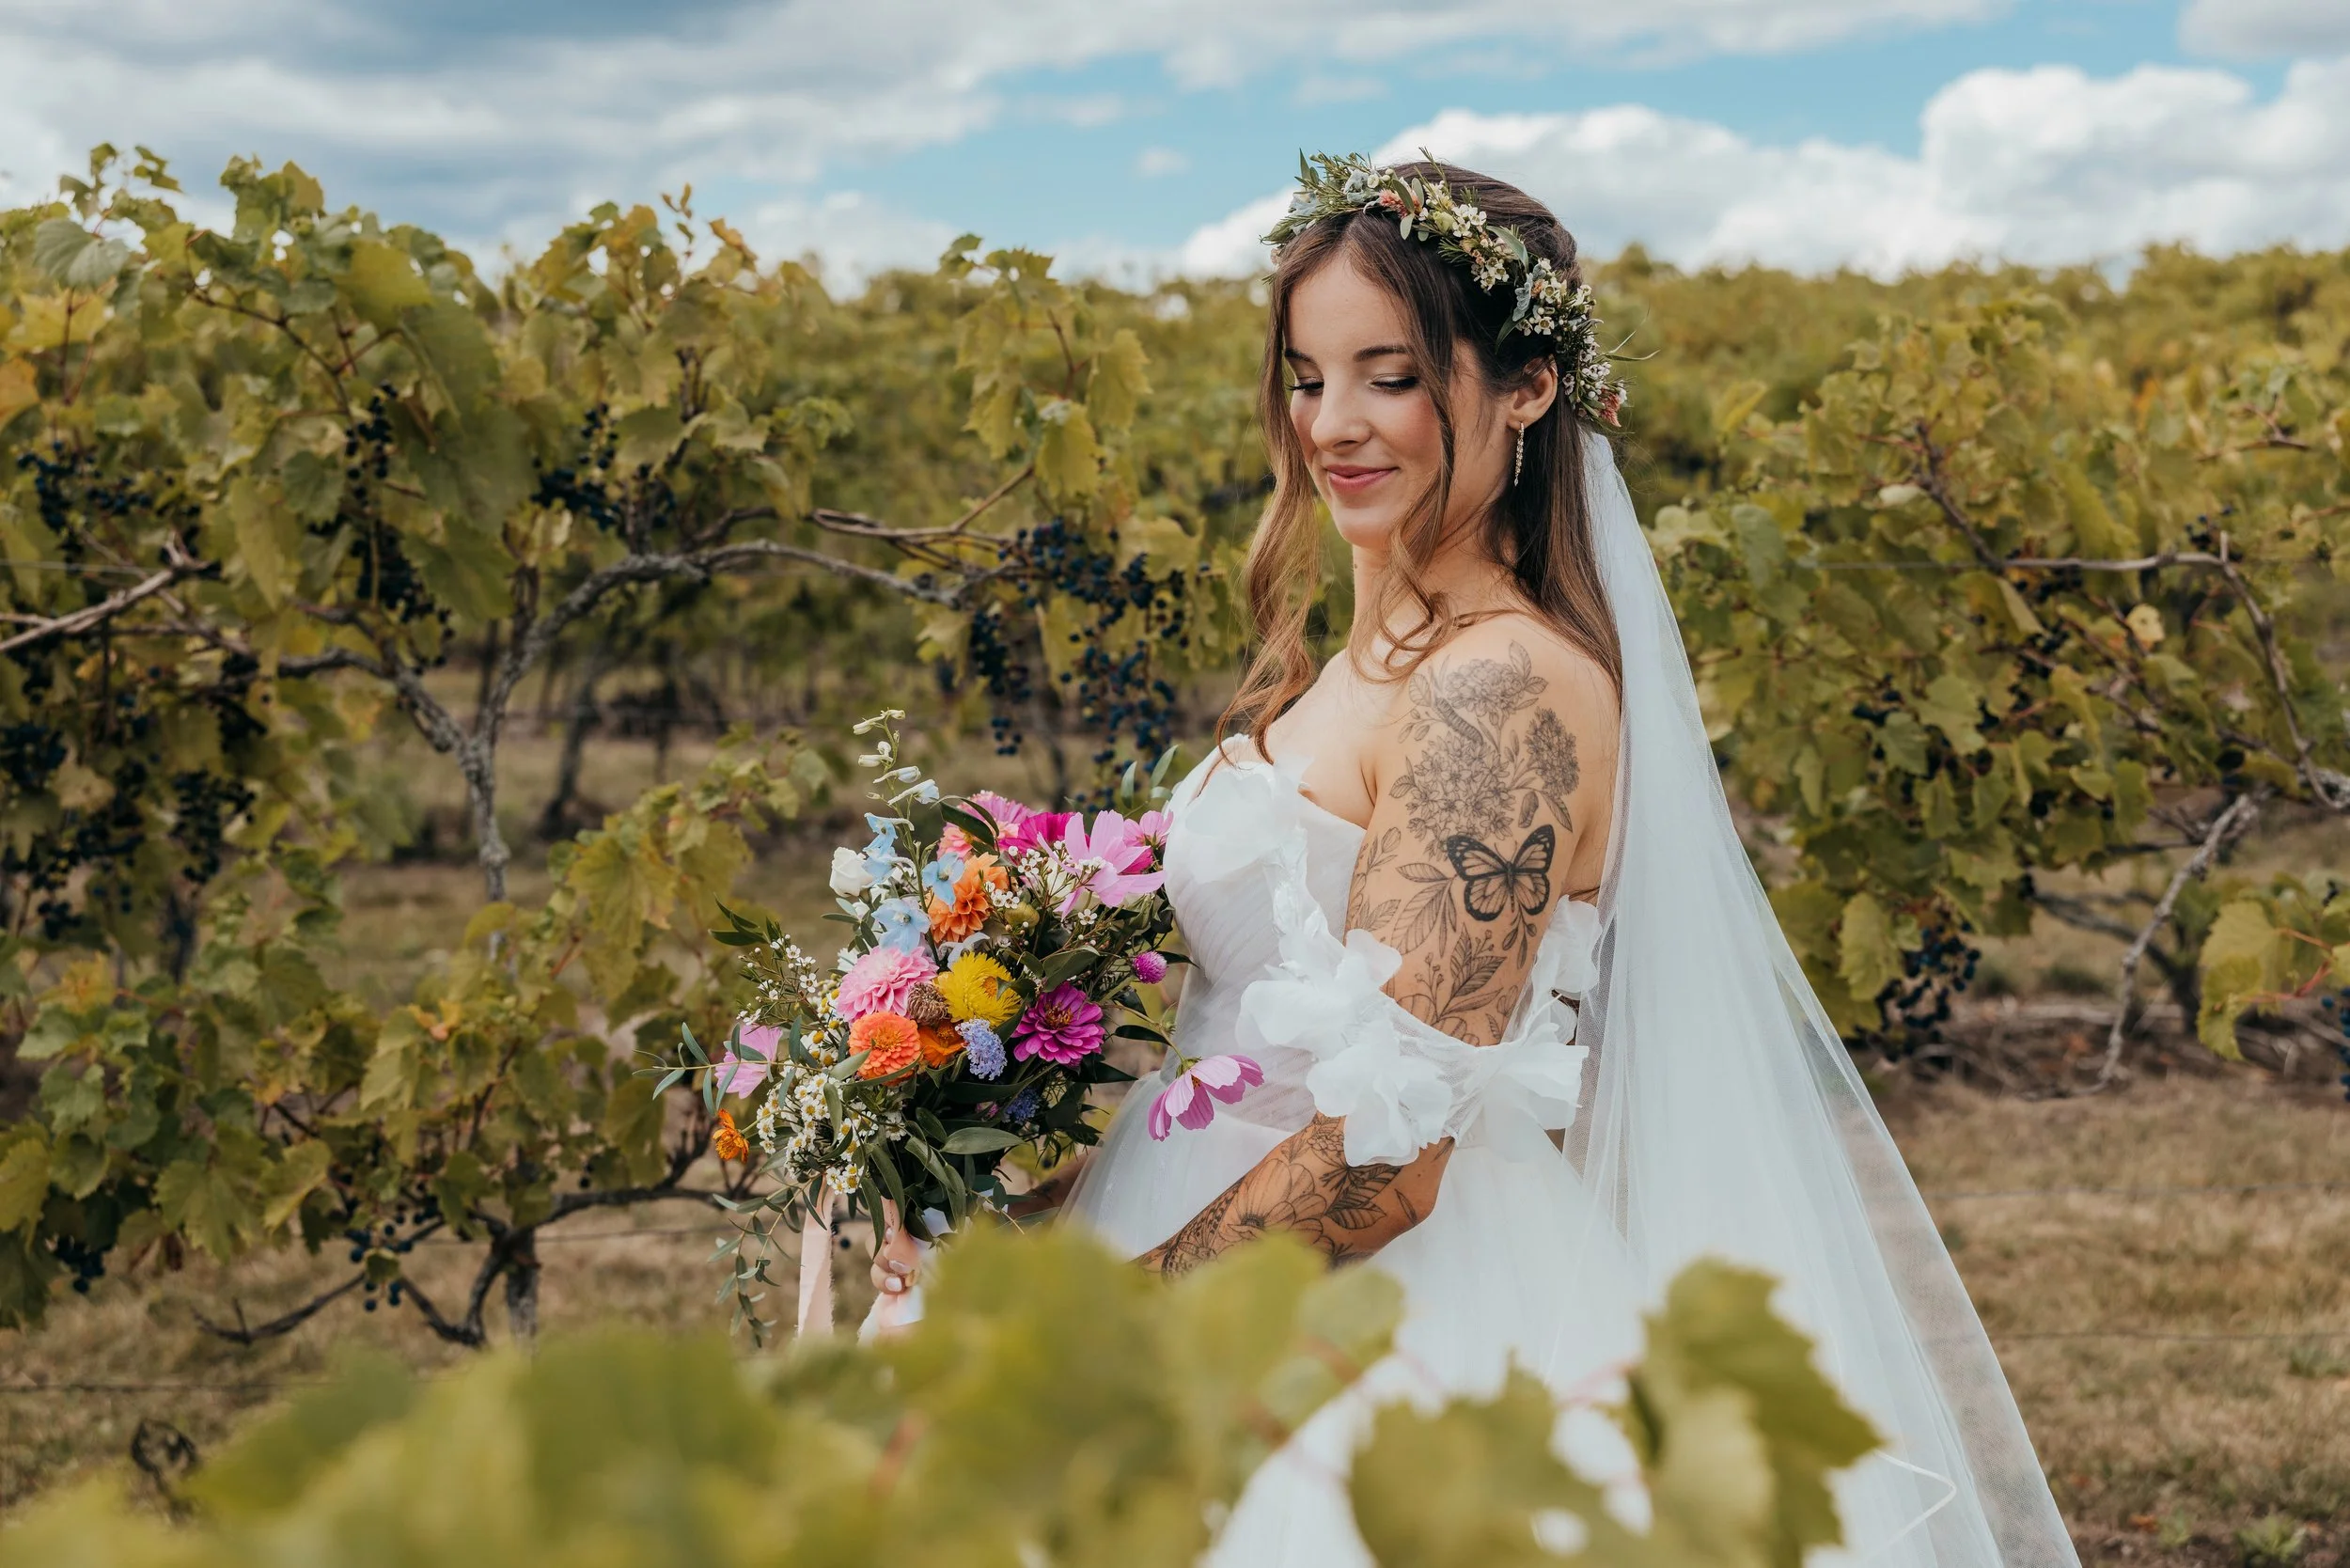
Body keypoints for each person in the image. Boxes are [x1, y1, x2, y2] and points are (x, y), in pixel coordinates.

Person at [880, 155, 2079, 1568]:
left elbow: (1386, 1156)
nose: (1333, 425)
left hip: (1352, 1326)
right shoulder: (1364, 660)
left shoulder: (1495, 694)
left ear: (1527, 387)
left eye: (1390, 376)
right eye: (1307, 376)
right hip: (1198, 1240)